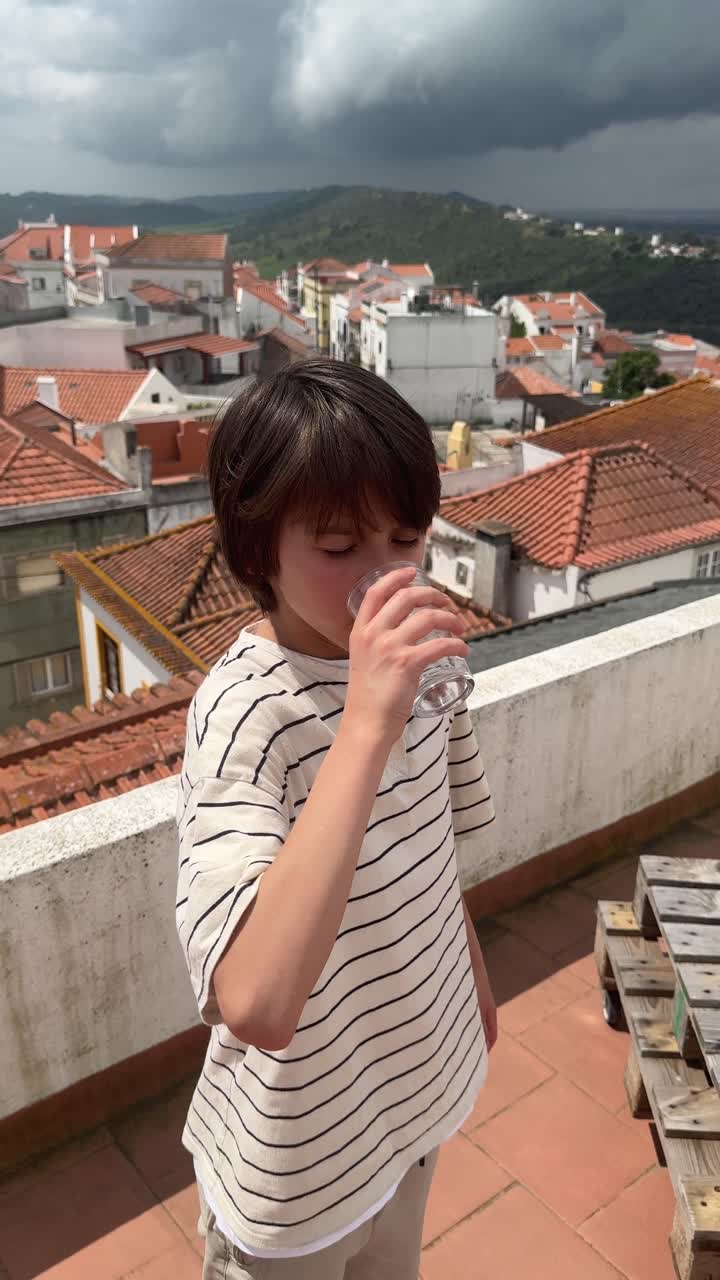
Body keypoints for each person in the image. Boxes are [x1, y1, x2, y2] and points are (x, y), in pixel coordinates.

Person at [175, 357, 497, 1279]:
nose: (384, 578)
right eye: (338, 546)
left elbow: (427, 842)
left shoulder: (424, 668)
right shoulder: (246, 712)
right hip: (298, 1159)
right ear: (253, 553)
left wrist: (468, 979)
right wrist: (365, 719)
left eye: (406, 540)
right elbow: (256, 1000)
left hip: (406, 1096)